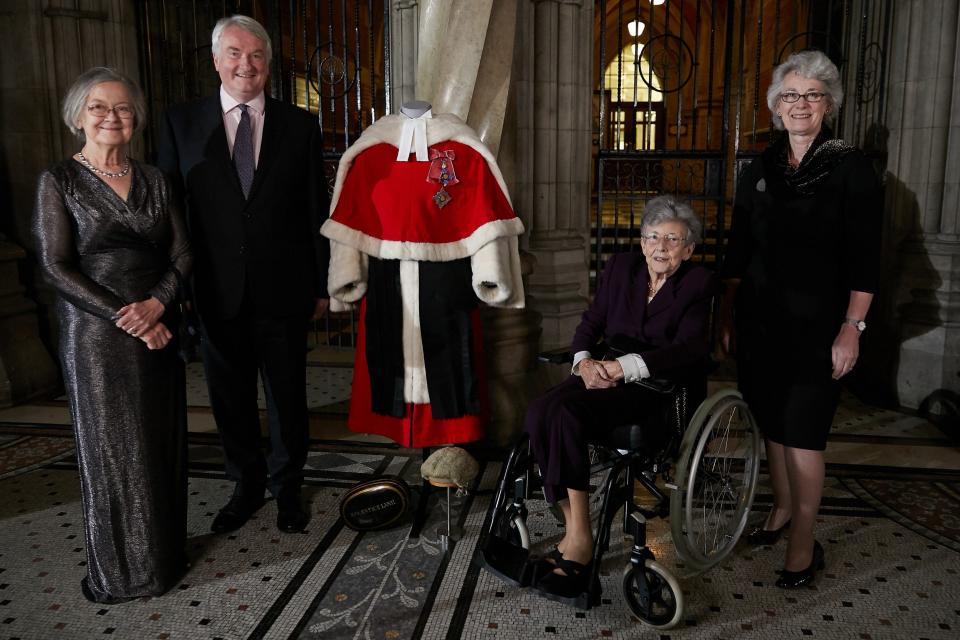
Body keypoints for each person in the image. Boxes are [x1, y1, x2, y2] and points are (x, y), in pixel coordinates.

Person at [157, 14, 329, 534]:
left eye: (256, 55)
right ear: (216, 60)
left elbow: (314, 208)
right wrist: (176, 286)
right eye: (234, 53)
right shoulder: (179, 124)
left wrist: (321, 284)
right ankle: (246, 484)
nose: (245, 64)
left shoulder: (299, 125)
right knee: (228, 395)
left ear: (269, 64)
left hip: (285, 286)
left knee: (287, 393)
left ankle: (288, 485)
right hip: (212, 287)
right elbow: (170, 213)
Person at [720, 50, 881, 588]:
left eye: (812, 95)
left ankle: (804, 541)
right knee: (771, 417)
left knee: (805, 429)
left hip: (820, 323)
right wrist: (726, 311)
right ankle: (784, 506)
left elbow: (866, 257)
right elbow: (739, 245)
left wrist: (851, 328)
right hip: (760, 319)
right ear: (775, 106)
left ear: (829, 104)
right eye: (790, 95)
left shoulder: (851, 166)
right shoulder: (761, 167)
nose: (800, 104)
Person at [33, 67, 192, 603]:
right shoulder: (57, 180)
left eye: (123, 108)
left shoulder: (156, 178)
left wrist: (155, 305)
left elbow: (183, 253)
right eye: (99, 107)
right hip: (96, 335)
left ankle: (164, 558)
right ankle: (123, 572)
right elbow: (56, 267)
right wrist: (127, 316)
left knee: (159, 440)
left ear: (136, 118)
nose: (111, 117)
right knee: (112, 450)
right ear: (78, 115)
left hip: (159, 326)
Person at [525, 196, 716, 603]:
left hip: (655, 386)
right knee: (541, 410)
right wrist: (583, 362)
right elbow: (592, 321)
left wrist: (625, 368)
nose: (660, 246)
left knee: (568, 415)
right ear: (642, 241)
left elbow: (690, 349)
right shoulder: (621, 267)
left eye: (672, 238)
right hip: (603, 370)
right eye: (653, 236)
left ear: (688, 248)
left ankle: (577, 542)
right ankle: (576, 525)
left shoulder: (697, 283)